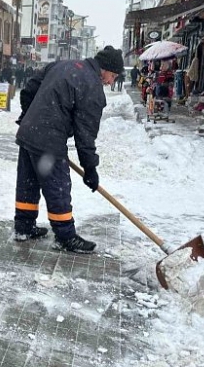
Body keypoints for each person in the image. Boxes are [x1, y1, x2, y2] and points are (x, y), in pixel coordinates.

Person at [12, 46, 124, 252]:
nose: (111, 82)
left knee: (28, 182)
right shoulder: (92, 87)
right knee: (58, 186)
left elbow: (29, 89)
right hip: (49, 139)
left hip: (29, 131)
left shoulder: (62, 65)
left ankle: (23, 227)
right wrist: (90, 168)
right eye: (113, 76)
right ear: (105, 68)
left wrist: (31, 117)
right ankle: (65, 236)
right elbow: (86, 134)